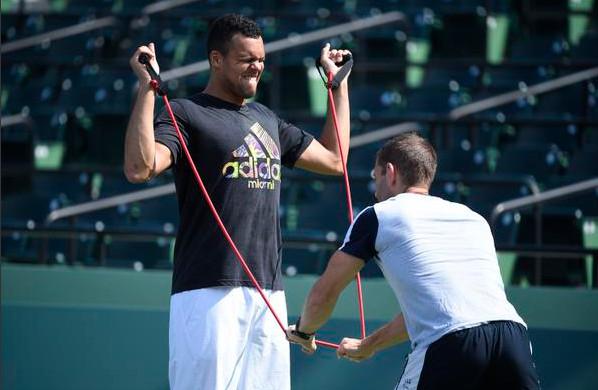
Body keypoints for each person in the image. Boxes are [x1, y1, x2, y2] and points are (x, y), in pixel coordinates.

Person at [124, 13, 352, 390]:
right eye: (247, 59)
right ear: (217, 59)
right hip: (208, 291)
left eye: (261, 59)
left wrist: (337, 86)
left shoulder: (267, 118)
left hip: (268, 292)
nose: (257, 66)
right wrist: (148, 88)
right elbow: (139, 167)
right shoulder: (185, 113)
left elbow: (336, 160)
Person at [286, 132, 540, 389]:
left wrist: (303, 331)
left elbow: (325, 293)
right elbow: (439, 312)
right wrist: (368, 345)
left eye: (376, 179)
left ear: (391, 172)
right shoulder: (473, 218)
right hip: (513, 339)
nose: (375, 193)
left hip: (451, 345)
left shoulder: (378, 215)